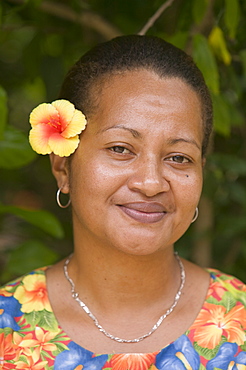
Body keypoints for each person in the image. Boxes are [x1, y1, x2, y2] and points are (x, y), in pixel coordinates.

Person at [0, 35, 245, 370]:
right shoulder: (7, 329)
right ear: (63, 167)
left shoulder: (239, 324)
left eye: (178, 157)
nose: (150, 183)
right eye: (120, 149)